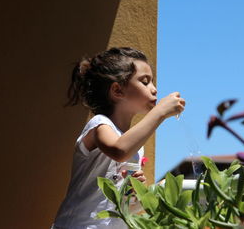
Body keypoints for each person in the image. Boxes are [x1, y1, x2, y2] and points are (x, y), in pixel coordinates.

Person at [51, 47, 185, 229]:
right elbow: (118, 150)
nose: (154, 89)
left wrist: (135, 189)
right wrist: (160, 112)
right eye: (145, 82)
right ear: (117, 90)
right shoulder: (99, 124)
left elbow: (127, 206)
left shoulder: (134, 145)